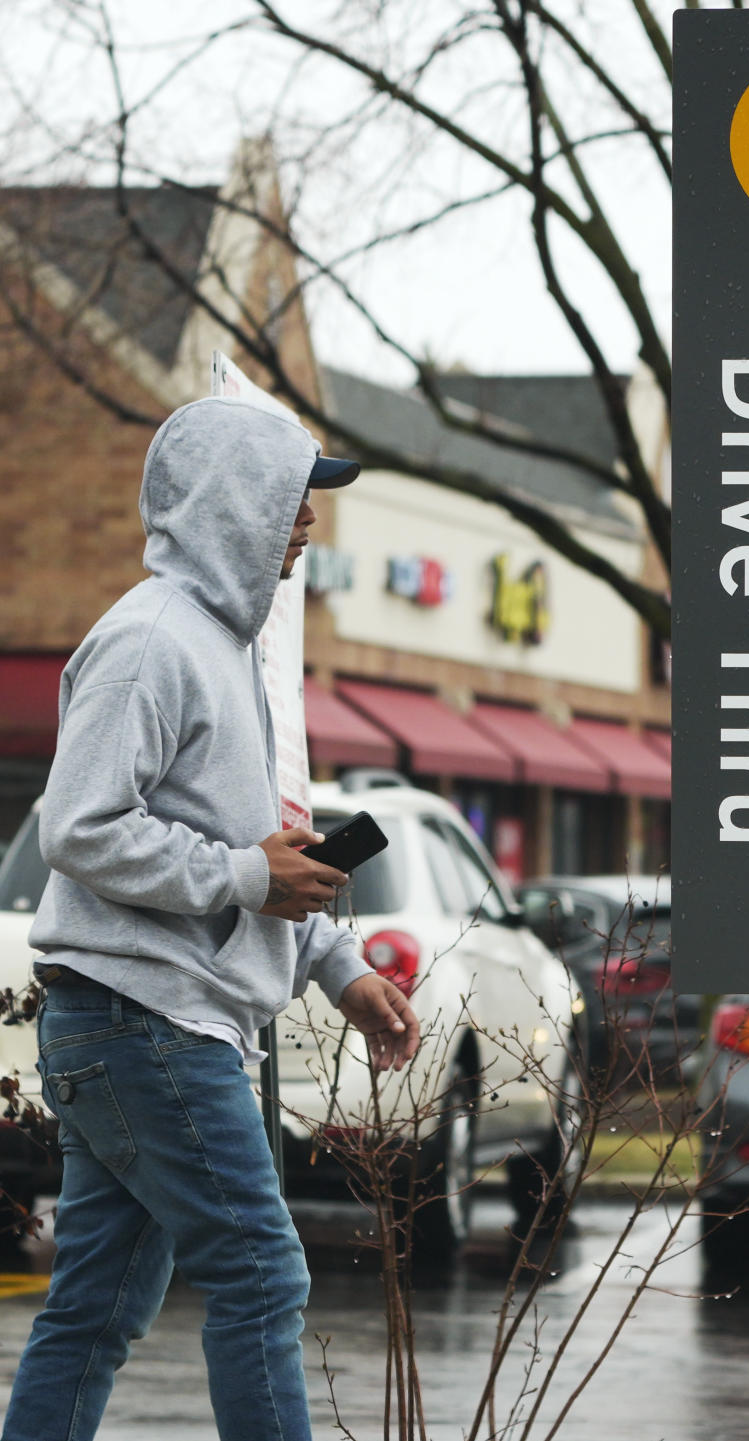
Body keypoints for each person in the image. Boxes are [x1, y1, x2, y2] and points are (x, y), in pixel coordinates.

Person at [1, 396, 419, 1441]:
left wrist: (339, 968)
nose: (308, 524)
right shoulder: (150, 642)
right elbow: (79, 829)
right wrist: (241, 875)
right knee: (262, 1269)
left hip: (147, 1022)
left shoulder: (232, 652)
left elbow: (266, 853)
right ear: (233, 501)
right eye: (293, 500)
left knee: (96, 1310)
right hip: (147, 1021)